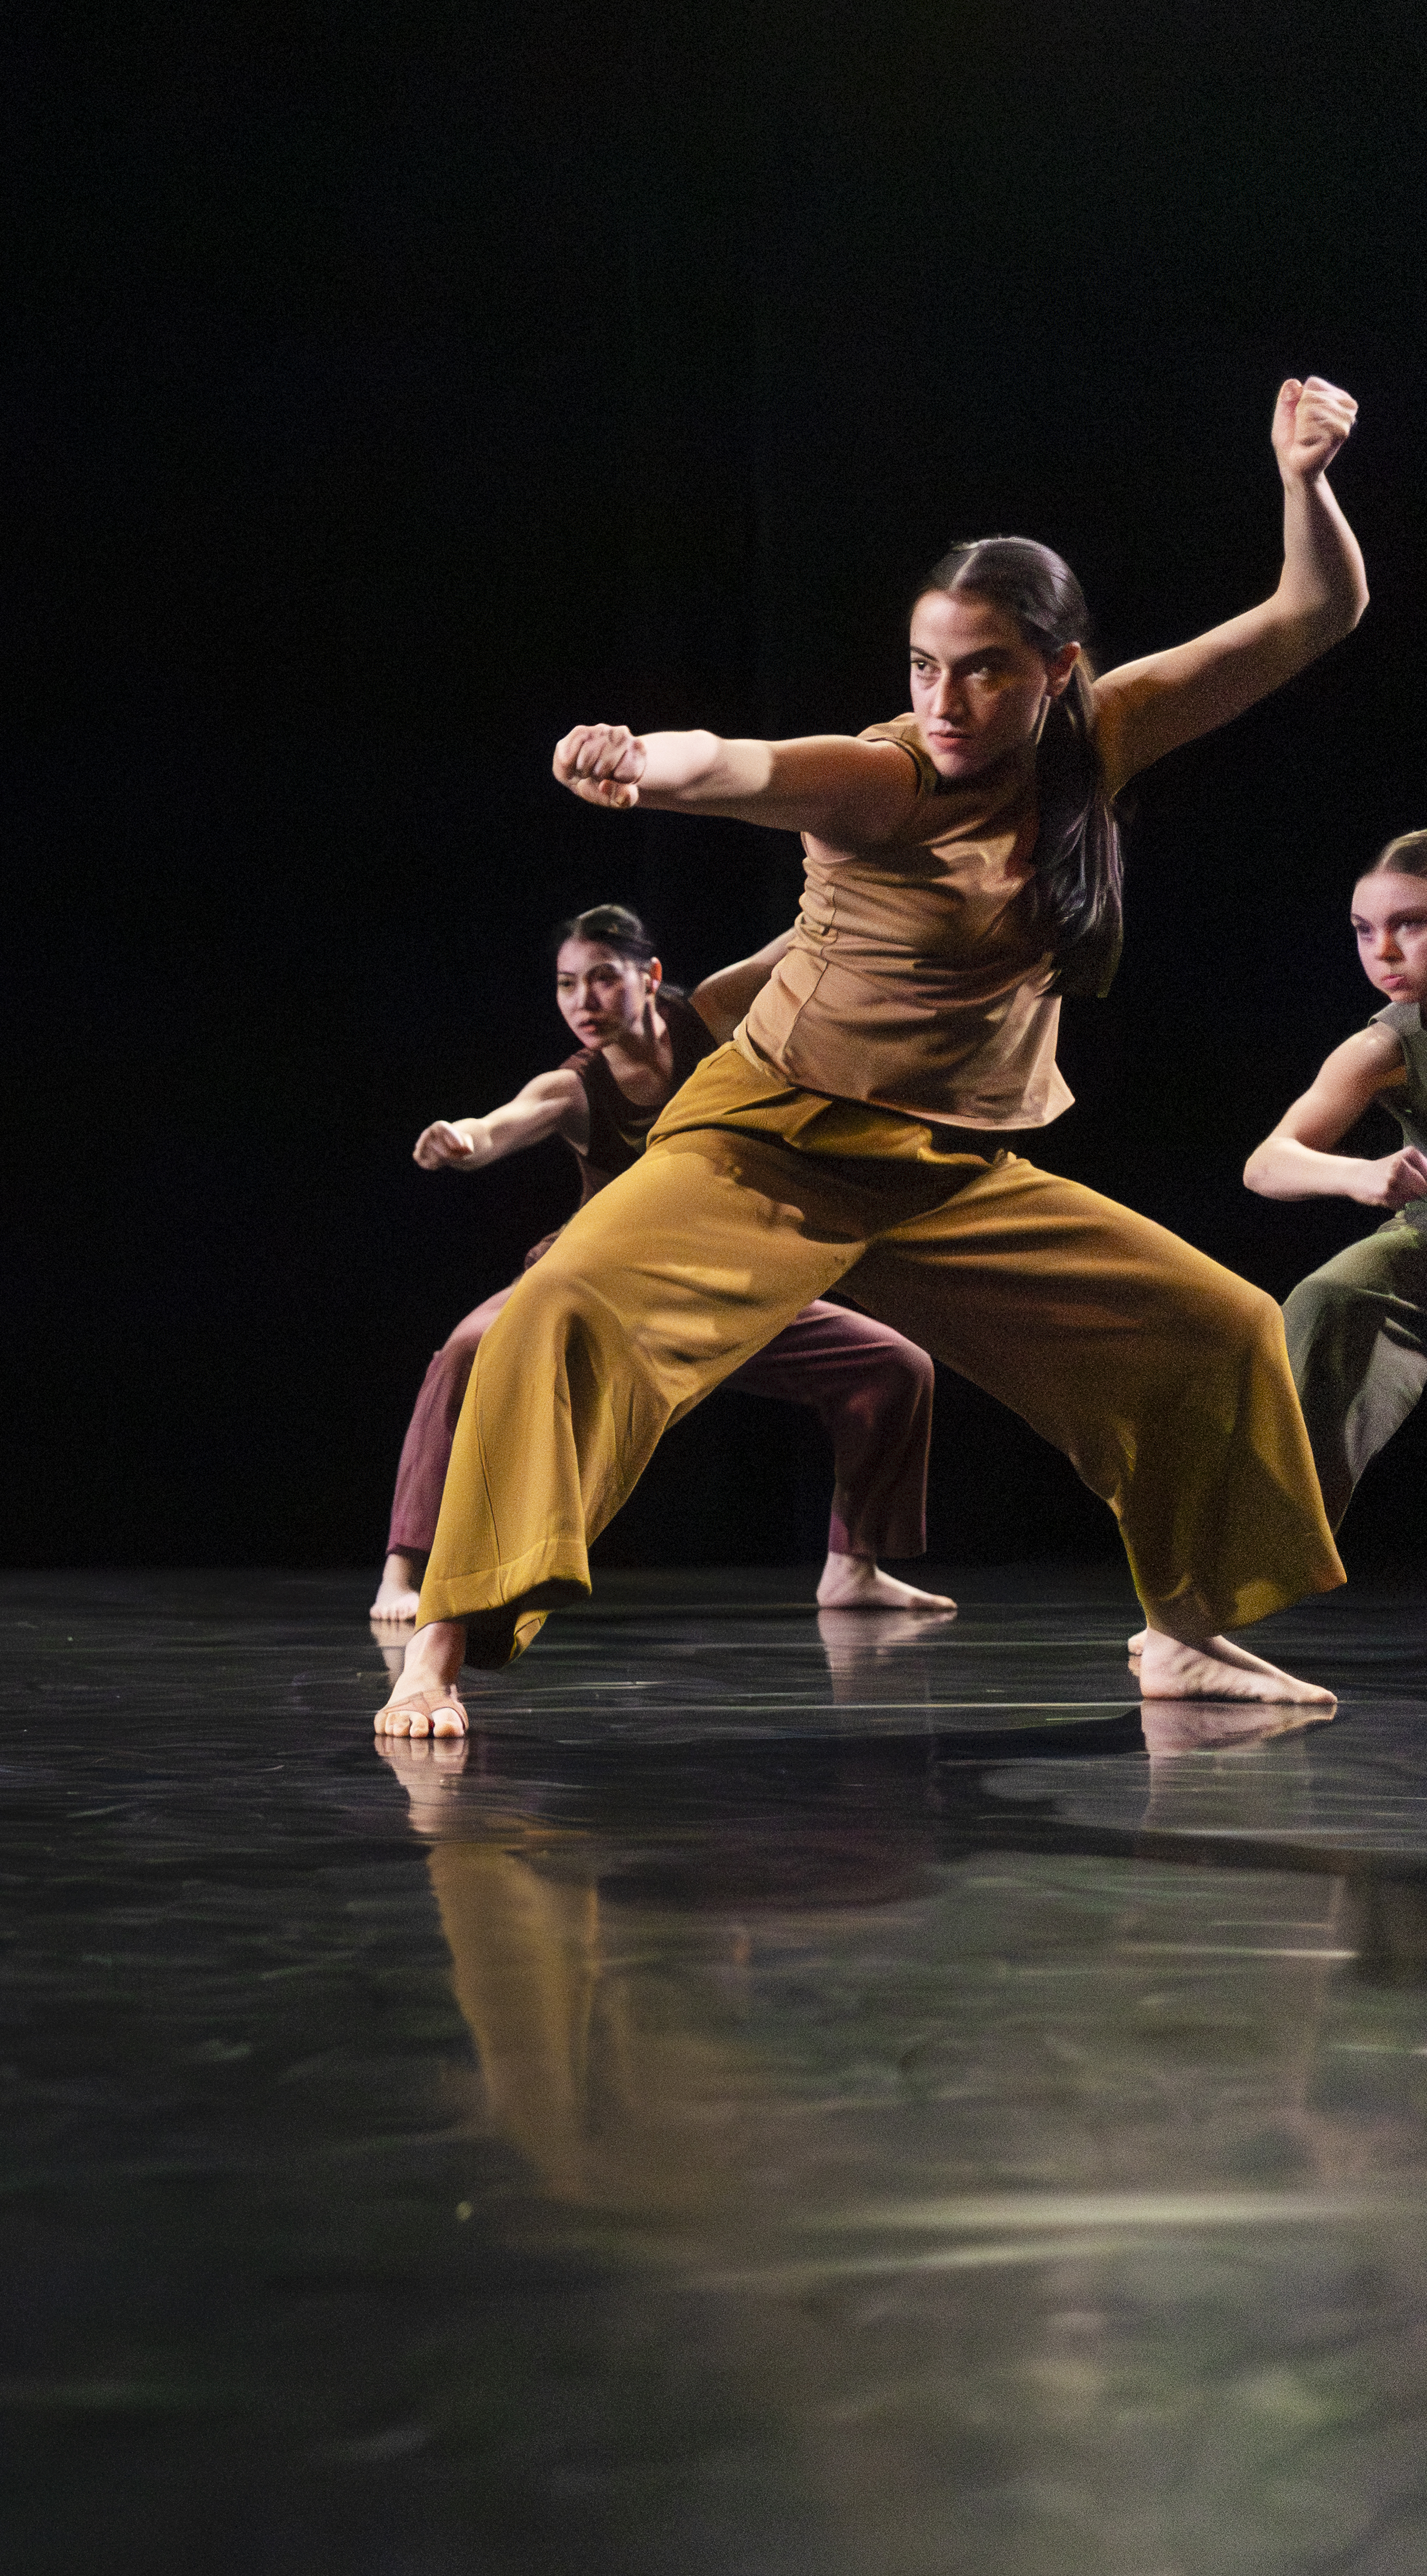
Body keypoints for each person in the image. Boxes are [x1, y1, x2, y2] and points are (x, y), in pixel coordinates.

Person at [381, 376, 1370, 1737]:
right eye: (922, 665)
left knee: (1217, 1330)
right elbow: (740, 765)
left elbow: (1313, 615)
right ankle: (432, 1653)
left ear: (1056, 671)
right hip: (765, 1146)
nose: (945, 697)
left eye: (983, 667)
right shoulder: (882, 776)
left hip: (945, 1172)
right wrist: (640, 763)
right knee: (559, 1317)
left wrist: (1301, 481)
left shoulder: (1103, 738)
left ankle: (1179, 1635)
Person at [377, 904, 951, 1624]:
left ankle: (852, 1568)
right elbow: (500, 1124)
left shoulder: (703, 1018)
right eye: (565, 985)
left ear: (649, 976)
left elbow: (802, 941)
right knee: (466, 1350)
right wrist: (463, 1139)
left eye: (602, 979)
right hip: (597, 1285)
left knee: (894, 1368)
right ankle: (403, 1572)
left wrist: (881, 882)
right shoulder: (574, 1086)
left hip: (714, 1283)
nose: (582, 1002)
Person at [1244, 833, 1427, 1525]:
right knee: (1330, 1297)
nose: (1382, 952)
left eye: (1409, 924)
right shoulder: (1386, 1044)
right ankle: (1218, 1585)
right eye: (1363, 931)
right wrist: (1358, 1174)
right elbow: (1267, 1162)